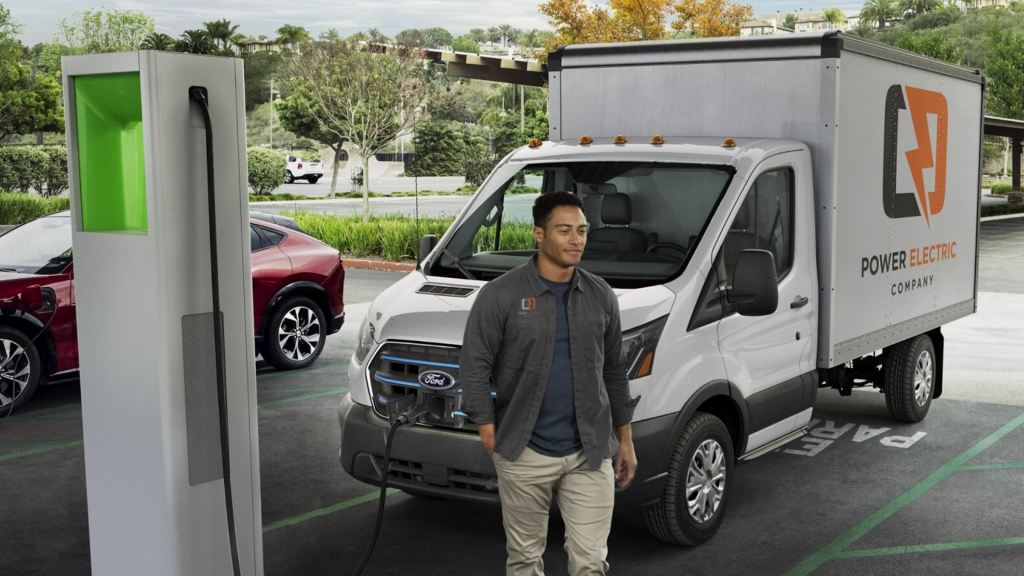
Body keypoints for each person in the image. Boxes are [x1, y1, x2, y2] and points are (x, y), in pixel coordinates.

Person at [460, 191, 639, 576]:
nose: (576, 240)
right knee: (524, 561)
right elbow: (474, 367)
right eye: (564, 230)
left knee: (591, 562)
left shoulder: (601, 295)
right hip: (525, 452)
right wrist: (491, 436)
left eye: (582, 230)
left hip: (589, 454)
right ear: (538, 234)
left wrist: (624, 440)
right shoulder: (500, 295)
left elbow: (613, 372)